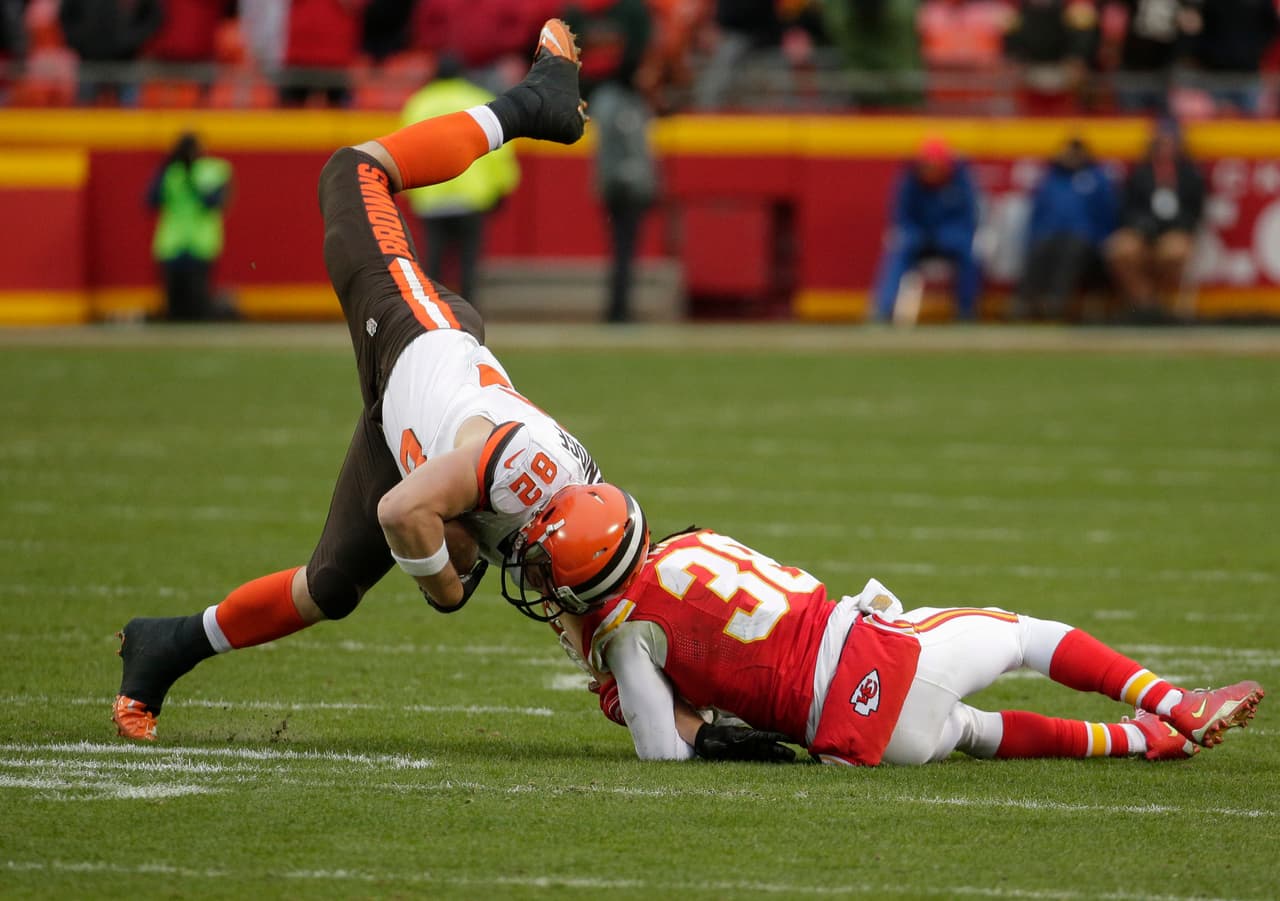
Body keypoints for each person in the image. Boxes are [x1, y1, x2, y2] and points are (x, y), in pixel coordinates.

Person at [112, 19, 595, 742]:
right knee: (351, 171)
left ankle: (166, 644)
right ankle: (534, 102)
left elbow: (571, 607)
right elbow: (410, 515)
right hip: (423, 337)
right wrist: (444, 588)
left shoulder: (513, 536)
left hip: (398, 414)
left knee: (329, 586)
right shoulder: (513, 483)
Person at [501, 483, 1264, 765]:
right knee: (1027, 632)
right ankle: (1174, 702)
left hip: (864, 738)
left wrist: (644, 693)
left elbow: (661, 751)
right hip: (875, 657)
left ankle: (1143, 735)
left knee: (970, 730)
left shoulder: (626, 635)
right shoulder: (694, 543)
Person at [400, 54, 521, 308]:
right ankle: (469, 319)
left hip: (431, 196)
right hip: (471, 196)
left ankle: (431, 318)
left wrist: (409, 192)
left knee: (433, 264)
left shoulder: (418, 103)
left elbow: (403, 150)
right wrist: (502, 187)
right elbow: (498, 150)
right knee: (469, 264)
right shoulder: (476, 99)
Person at [566, 0, 659, 323]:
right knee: (623, 250)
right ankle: (619, 310)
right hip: (626, 184)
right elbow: (631, 152)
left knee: (621, 251)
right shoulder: (624, 105)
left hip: (616, 183)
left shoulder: (608, 103)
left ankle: (618, 309)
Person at [872, 136, 981, 323]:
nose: (931, 171)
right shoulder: (909, 181)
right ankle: (883, 310)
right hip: (918, 238)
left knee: (969, 256)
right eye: (927, 166)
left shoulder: (960, 180)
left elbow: (969, 218)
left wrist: (946, 235)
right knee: (899, 252)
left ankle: (965, 311)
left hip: (950, 239)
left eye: (935, 166)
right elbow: (901, 217)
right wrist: (916, 234)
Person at [1105, 118, 1204, 321]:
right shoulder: (1140, 172)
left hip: (1175, 231)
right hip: (1142, 232)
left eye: (1169, 142)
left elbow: (1195, 211)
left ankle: (1153, 304)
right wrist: (1141, 224)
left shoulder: (1190, 174)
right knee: (1120, 250)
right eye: (1161, 142)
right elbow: (1127, 207)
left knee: (1173, 252)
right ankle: (1146, 304)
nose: (1165, 147)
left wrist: (1176, 225)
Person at [1014, 136, 1117, 321]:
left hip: (1084, 237)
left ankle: (1056, 302)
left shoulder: (1096, 178)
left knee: (1072, 250)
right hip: (1050, 233)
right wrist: (1032, 237)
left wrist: (1101, 240)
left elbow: (1106, 213)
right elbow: (1037, 213)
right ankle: (1025, 302)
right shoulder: (1051, 178)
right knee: (1040, 247)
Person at [146, 132, 235, 322]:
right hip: (171, 244)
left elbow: (214, 203)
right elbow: (150, 201)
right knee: (174, 308)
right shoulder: (170, 171)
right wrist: (165, 170)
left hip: (200, 244)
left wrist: (191, 178)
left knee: (198, 305)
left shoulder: (212, 170)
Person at [57, 0, 163, 106]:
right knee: (84, 110)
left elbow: (154, 16)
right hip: (89, 60)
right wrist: (79, 39)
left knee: (129, 111)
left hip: (127, 60)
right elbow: (65, 15)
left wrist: (133, 40)